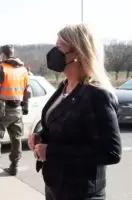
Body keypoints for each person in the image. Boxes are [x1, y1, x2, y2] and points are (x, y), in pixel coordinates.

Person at [28, 24, 122, 200]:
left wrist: (52, 152)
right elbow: (61, 127)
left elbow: (111, 152)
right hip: (56, 186)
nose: (52, 53)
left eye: (59, 48)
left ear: (77, 53)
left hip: (80, 192)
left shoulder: (97, 95)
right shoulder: (64, 86)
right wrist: (41, 136)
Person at [0, 45, 30, 181]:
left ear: (3, 54)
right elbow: (27, 90)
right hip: (17, 110)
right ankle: (14, 166)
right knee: (16, 139)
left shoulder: (0, 68)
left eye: (0, 54)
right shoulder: (23, 70)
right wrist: (26, 105)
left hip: (1, 110)